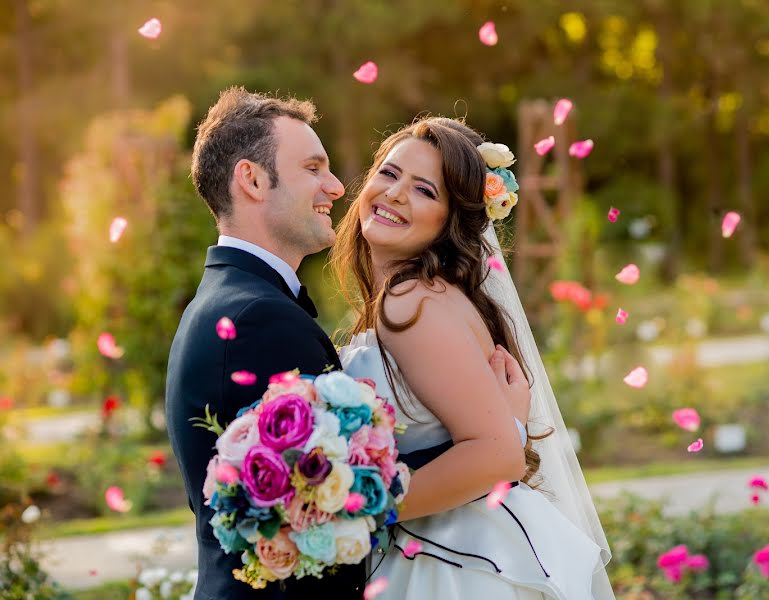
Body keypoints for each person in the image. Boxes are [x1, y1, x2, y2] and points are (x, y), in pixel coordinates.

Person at [166, 87, 528, 599]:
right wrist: (505, 429)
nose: (337, 187)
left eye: (426, 190)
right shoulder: (258, 317)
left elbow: (329, 483)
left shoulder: (249, 305)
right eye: (314, 168)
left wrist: (500, 440)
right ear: (251, 179)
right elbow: (309, 497)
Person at [332, 116, 614, 599]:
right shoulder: (431, 296)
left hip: (454, 566)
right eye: (389, 173)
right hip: (471, 541)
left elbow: (496, 452)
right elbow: (501, 438)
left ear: (450, 222)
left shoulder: (411, 301)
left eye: (425, 191)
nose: (396, 194)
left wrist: (354, 511)